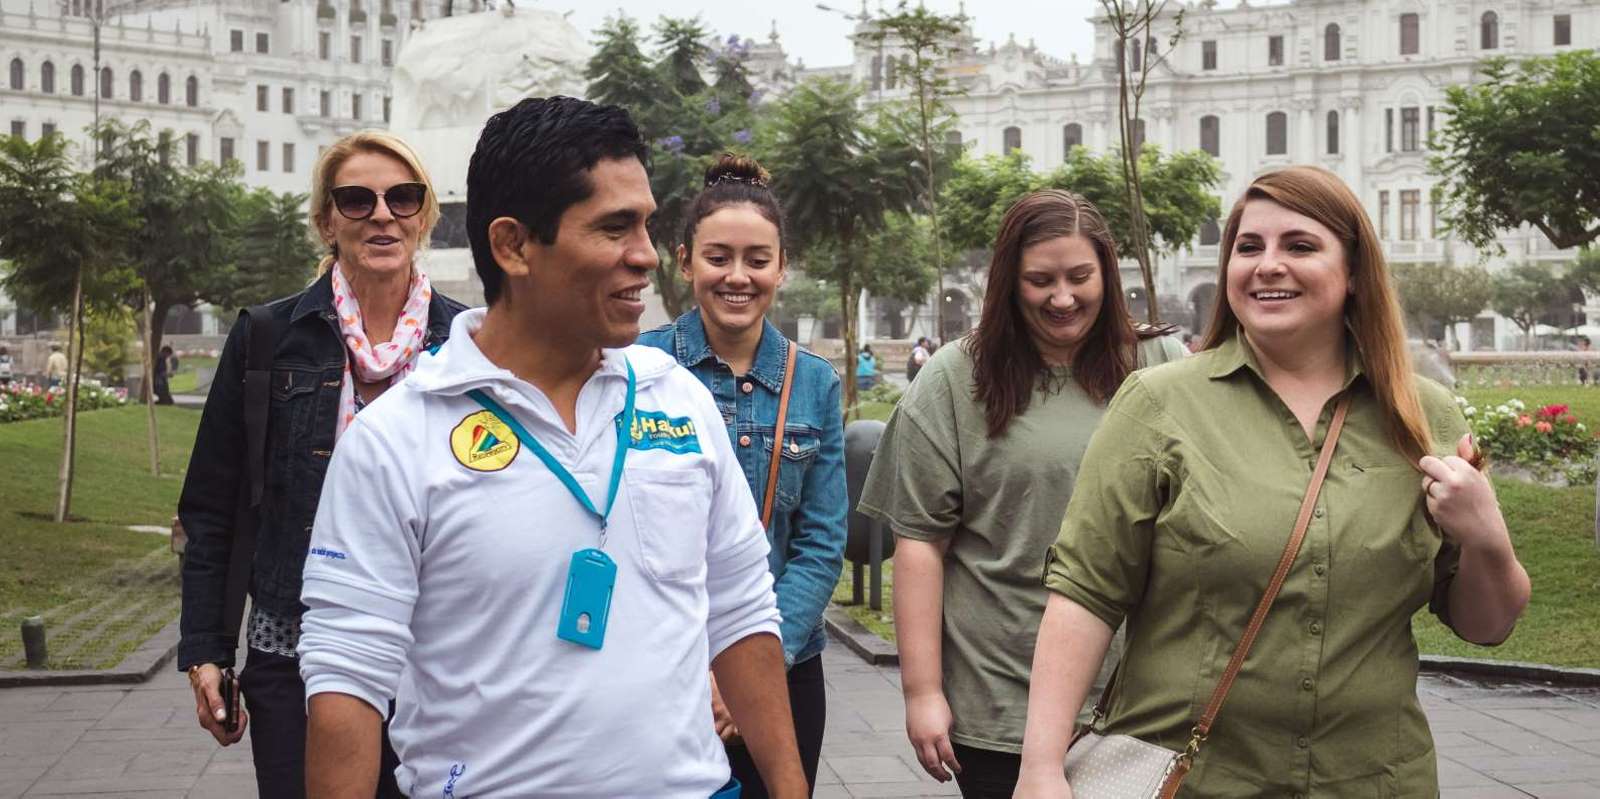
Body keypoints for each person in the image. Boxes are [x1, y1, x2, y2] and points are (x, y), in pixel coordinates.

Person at [297, 96, 808, 798]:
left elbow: (742, 610)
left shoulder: (676, 399)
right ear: (513, 246)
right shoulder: (396, 440)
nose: (647, 256)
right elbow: (347, 677)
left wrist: (789, 788)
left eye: (648, 224)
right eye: (614, 228)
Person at [1015, 167, 1530, 798]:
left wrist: (1486, 538)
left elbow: (1485, 626)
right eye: (1248, 247)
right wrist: (1040, 769)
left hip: (1374, 781)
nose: (1268, 265)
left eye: (1300, 246)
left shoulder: (1425, 418)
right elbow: (1085, 594)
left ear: (1354, 274)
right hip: (1196, 779)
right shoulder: (1158, 404)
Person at [855, 190, 1185, 799]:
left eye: (1079, 277)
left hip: (1138, 700)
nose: (1062, 297)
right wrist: (922, 692)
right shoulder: (956, 378)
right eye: (1040, 280)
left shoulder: (1160, 361)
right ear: (1009, 282)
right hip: (1001, 697)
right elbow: (921, 545)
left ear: (1108, 277)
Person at [177, 130, 467, 799]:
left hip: (440, 661)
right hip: (295, 653)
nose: (382, 214)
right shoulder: (269, 337)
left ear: (424, 215)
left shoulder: (466, 343)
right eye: (356, 200)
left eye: (402, 197)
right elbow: (211, 506)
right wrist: (207, 650)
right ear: (326, 221)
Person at [639, 153, 848, 798]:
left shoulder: (814, 383)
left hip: (783, 670)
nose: (737, 277)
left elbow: (820, 543)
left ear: (782, 267)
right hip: (656, 670)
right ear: (684, 261)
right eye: (718, 257)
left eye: (757, 260)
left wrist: (752, 667)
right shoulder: (635, 370)